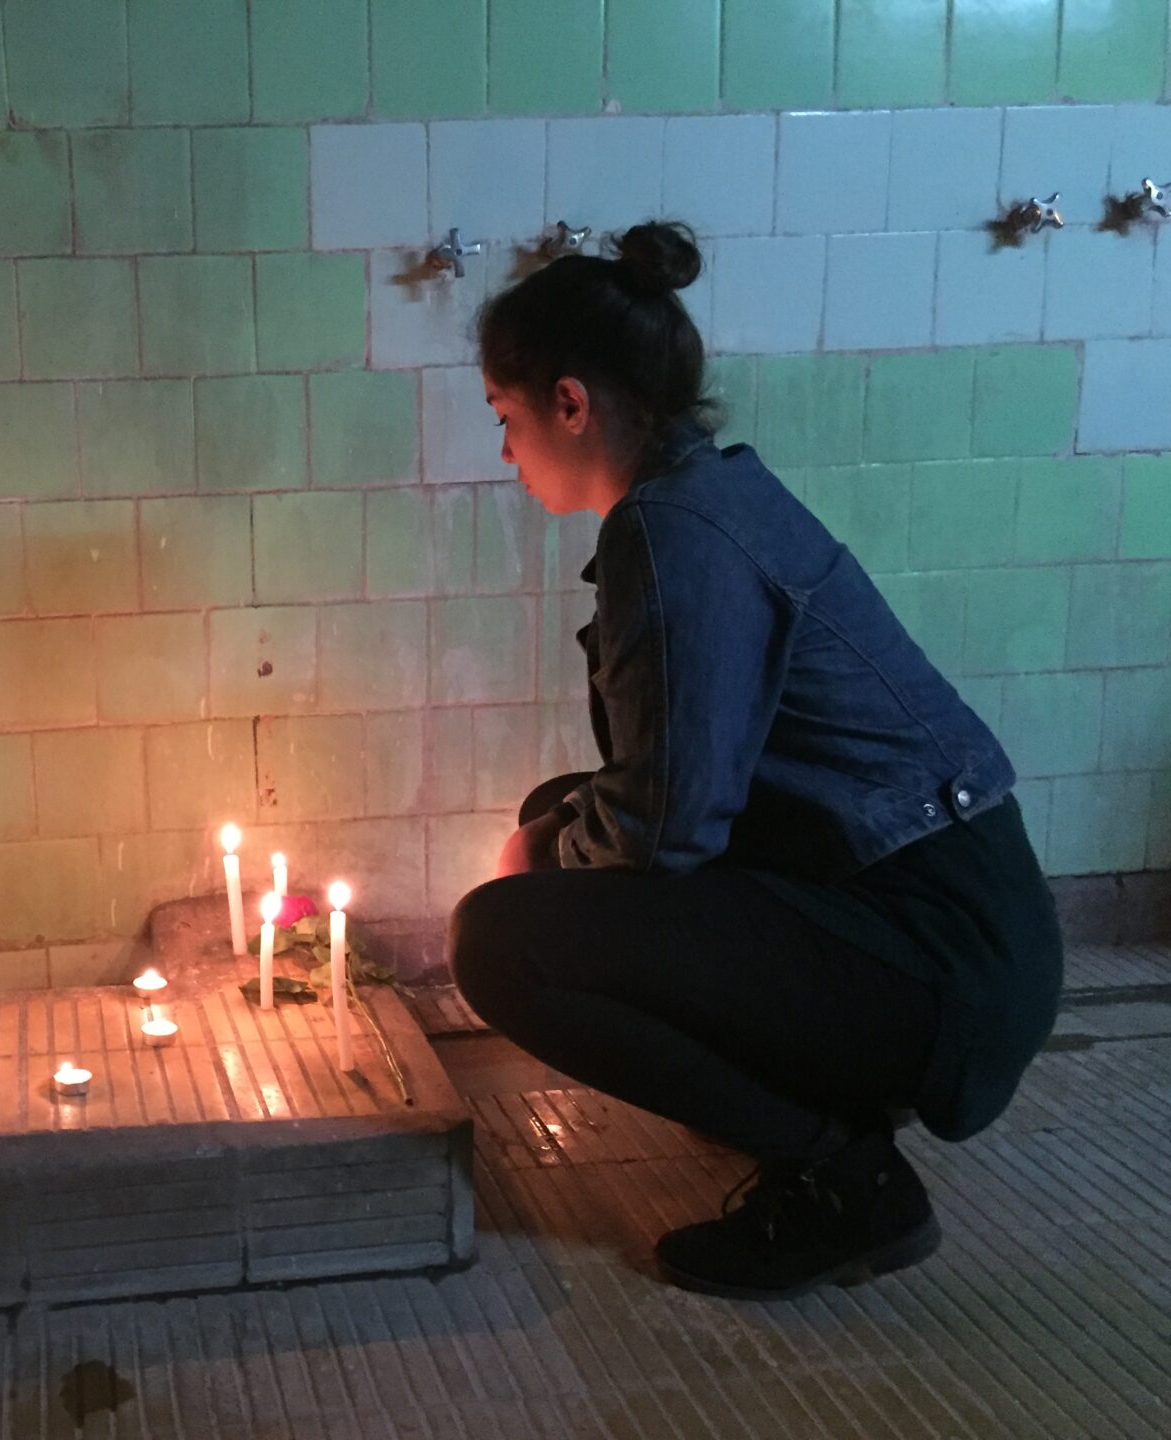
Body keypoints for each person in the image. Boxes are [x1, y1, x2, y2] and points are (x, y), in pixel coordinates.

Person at [448, 221, 1063, 1300]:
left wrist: (536, 861)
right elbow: (686, 777)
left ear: (570, 403)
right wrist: (558, 834)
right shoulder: (705, 495)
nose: (506, 451)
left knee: (502, 939)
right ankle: (815, 1107)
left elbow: (668, 827)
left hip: (935, 960)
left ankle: (844, 1178)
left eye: (507, 417)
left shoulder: (669, 531)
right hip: (953, 928)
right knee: (556, 816)